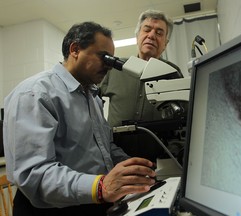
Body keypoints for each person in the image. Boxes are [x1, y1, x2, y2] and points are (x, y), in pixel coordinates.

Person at [3, 21, 156, 216]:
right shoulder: (35, 94)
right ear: (75, 49)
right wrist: (100, 187)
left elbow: (105, 148)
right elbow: (34, 175)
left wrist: (132, 168)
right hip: (51, 209)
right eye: (104, 57)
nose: (109, 66)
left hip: (93, 200)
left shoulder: (92, 96)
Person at [99, 9, 183, 162]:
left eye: (159, 33)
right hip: (115, 160)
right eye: (147, 30)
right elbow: (90, 101)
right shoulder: (115, 68)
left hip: (158, 163)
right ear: (137, 36)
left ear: (165, 43)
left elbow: (183, 122)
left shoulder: (172, 73)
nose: (151, 35)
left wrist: (172, 155)